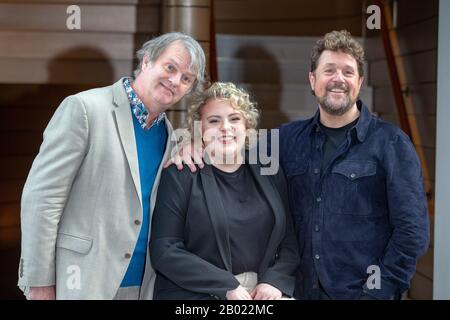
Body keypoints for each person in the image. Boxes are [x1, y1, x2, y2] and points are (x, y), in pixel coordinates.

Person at [167, 30, 430, 300]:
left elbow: (412, 233)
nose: (338, 79)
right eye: (329, 70)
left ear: (360, 82)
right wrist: (193, 143)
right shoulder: (285, 140)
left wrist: (378, 292)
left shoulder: (391, 143)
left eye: (348, 72)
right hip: (300, 293)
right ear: (313, 79)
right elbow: (232, 146)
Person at [18, 32, 206, 300]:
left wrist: (195, 141)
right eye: (170, 67)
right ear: (147, 61)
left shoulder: (170, 137)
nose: (175, 80)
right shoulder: (85, 109)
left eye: (186, 78)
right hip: (82, 282)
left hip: (145, 286)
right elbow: (42, 199)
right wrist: (39, 282)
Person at [150, 82, 299, 300]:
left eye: (234, 119)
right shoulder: (181, 173)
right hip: (199, 294)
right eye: (214, 121)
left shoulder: (269, 171)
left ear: (247, 126)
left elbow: (290, 241)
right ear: (199, 130)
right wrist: (226, 286)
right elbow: (165, 249)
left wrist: (275, 281)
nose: (225, 128)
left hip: (260, 292)